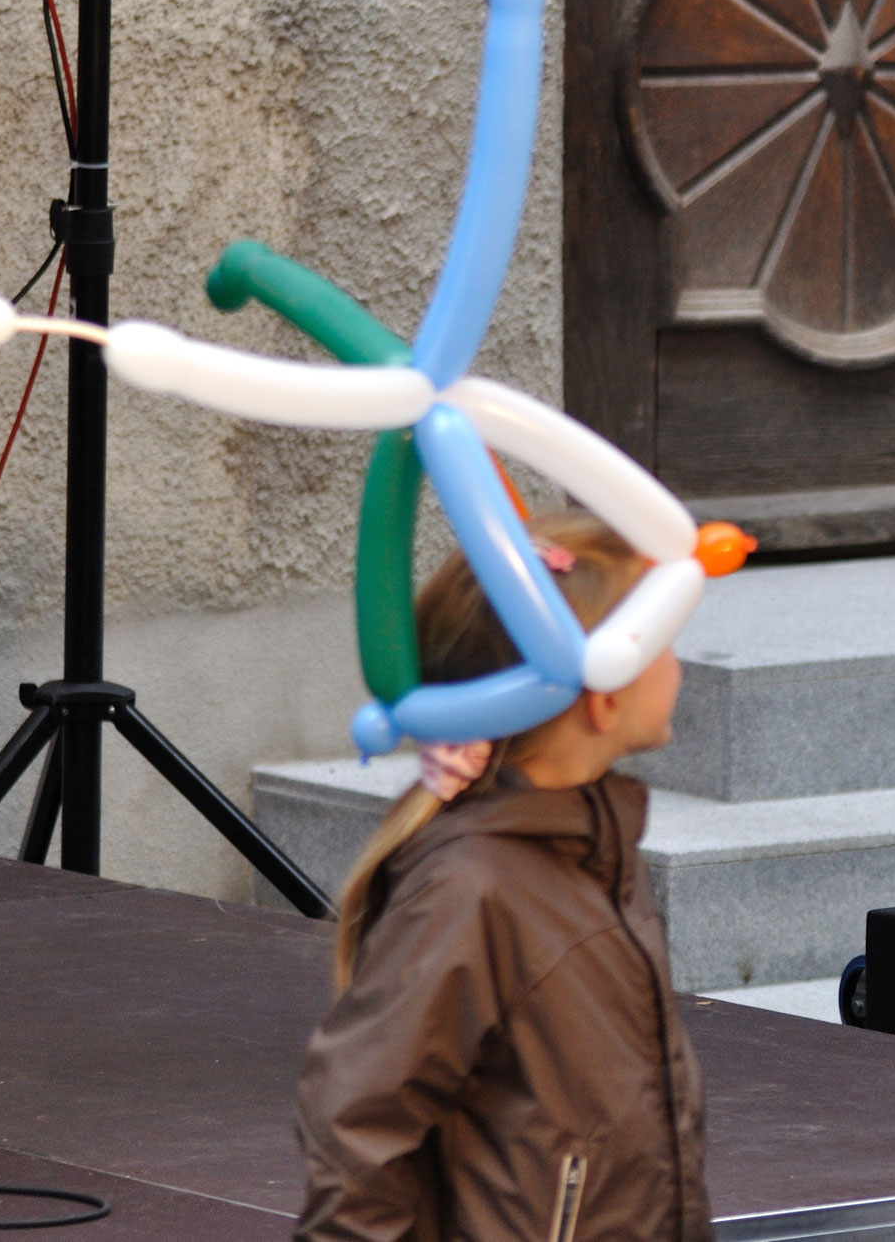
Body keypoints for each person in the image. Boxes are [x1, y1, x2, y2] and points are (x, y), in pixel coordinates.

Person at [295, 510, 711, 1242]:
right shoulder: (470, 888)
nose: (679, 660)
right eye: (666, 640)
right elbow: (359, 1126)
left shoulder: (595, 854)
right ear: (603, 696)